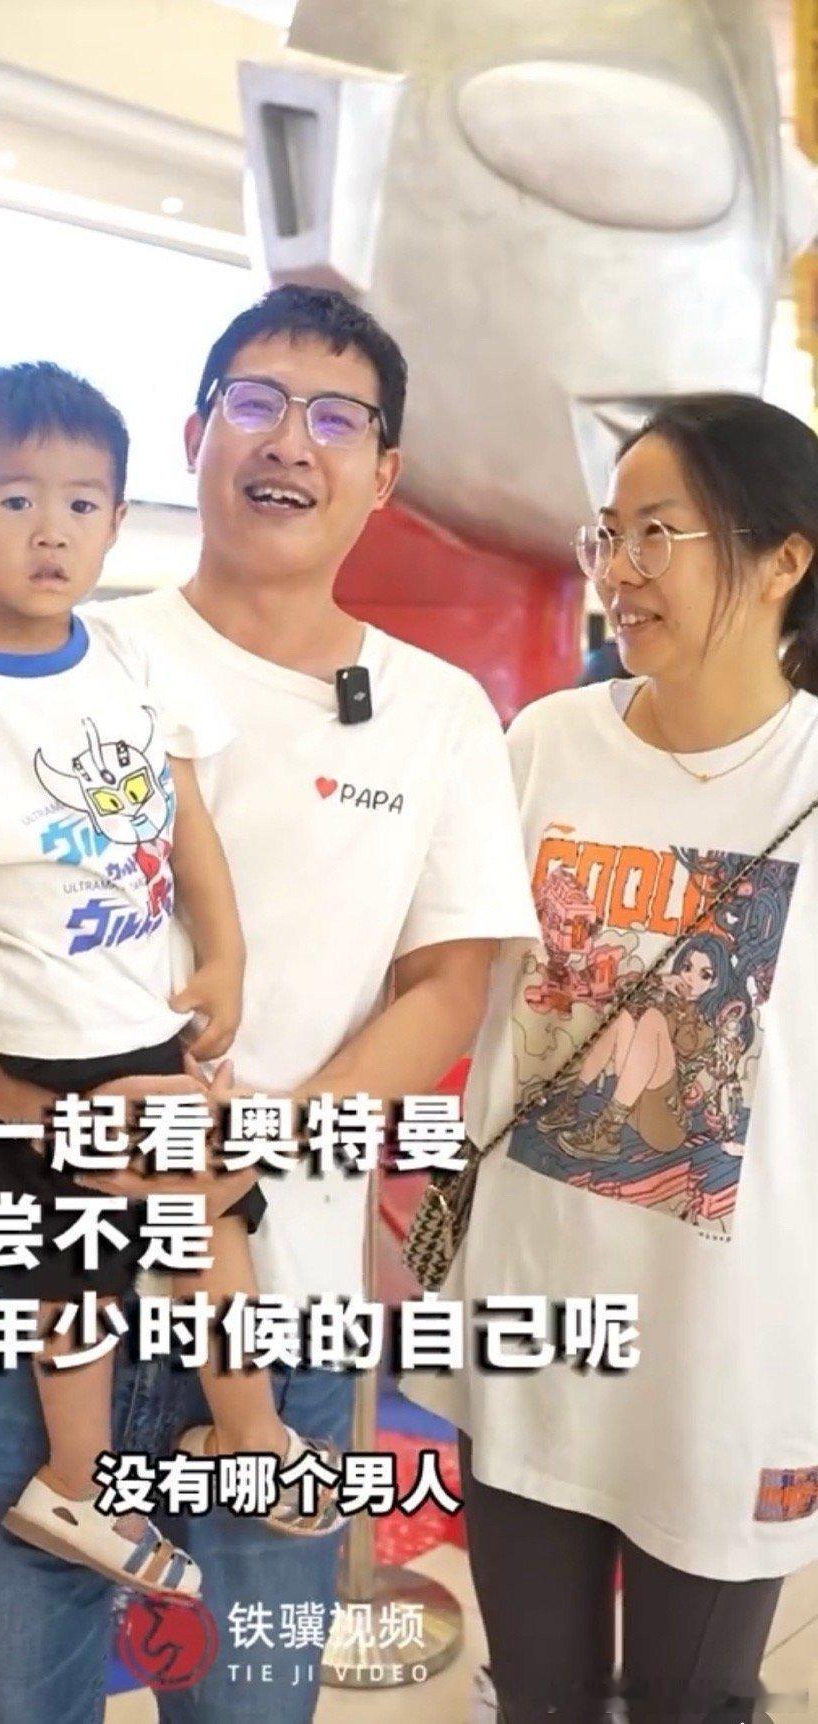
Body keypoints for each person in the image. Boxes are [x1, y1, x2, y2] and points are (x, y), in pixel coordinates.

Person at [0, 286, 538, 1724]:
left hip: (275, 1313)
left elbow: (449, 984)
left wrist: (263, 1136)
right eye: (255, 401)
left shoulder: (436, 712)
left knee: (248, 1707)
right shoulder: (46, 651)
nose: (289, 440)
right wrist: (6, 1087)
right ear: (195, 436)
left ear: (386, 472)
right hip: (28, 1291)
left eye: (335, 417)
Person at [0, 361, 339, 1603]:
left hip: (145, 1025)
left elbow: (186, 818)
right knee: (82, 1267)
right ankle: (104, 1474)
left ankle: (217, 1442)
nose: (51, 530)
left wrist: (225, 951)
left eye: (82, 503)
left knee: (196, 1222)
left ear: (113, 519)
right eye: (15, 500)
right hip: (39, 1045)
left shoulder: (124, 658)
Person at [406, 394, 818, 1723]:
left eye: (660, 533)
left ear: (784, 557)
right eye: (608, 534)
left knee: (698, 1702)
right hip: (533, 1327)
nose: (620, 570)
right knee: (539, 1696)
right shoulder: (544, 745)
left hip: (730, 1357)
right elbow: (447, 984)